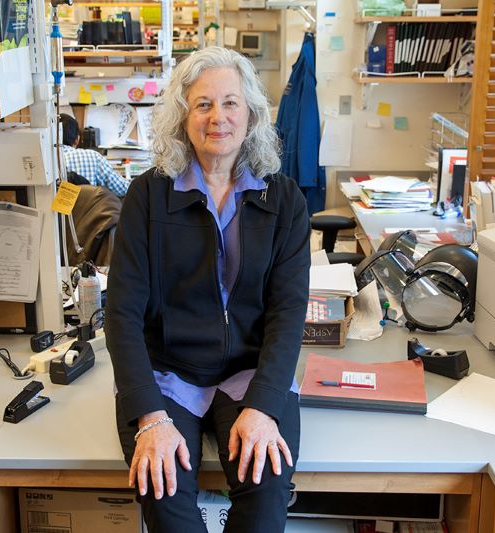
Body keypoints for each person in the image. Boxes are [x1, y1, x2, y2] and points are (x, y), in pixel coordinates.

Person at [104, 47, 310, 533]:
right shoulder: (148, 196)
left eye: (231, 103)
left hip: (250, 374)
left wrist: (262, 407)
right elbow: (122, 315)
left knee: (267, 492)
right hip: (166, 376)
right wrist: (150, 418)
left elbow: (288, 313)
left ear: (252, 113)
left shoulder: (284, 201)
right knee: (165, 496)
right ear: (183, 116)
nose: (219, 117)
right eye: (203, 105)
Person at [59, 113, 132, 197]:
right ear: (77, 139)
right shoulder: (92, 157)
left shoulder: (44, 162)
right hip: (87, 209)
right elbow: (123, 189)